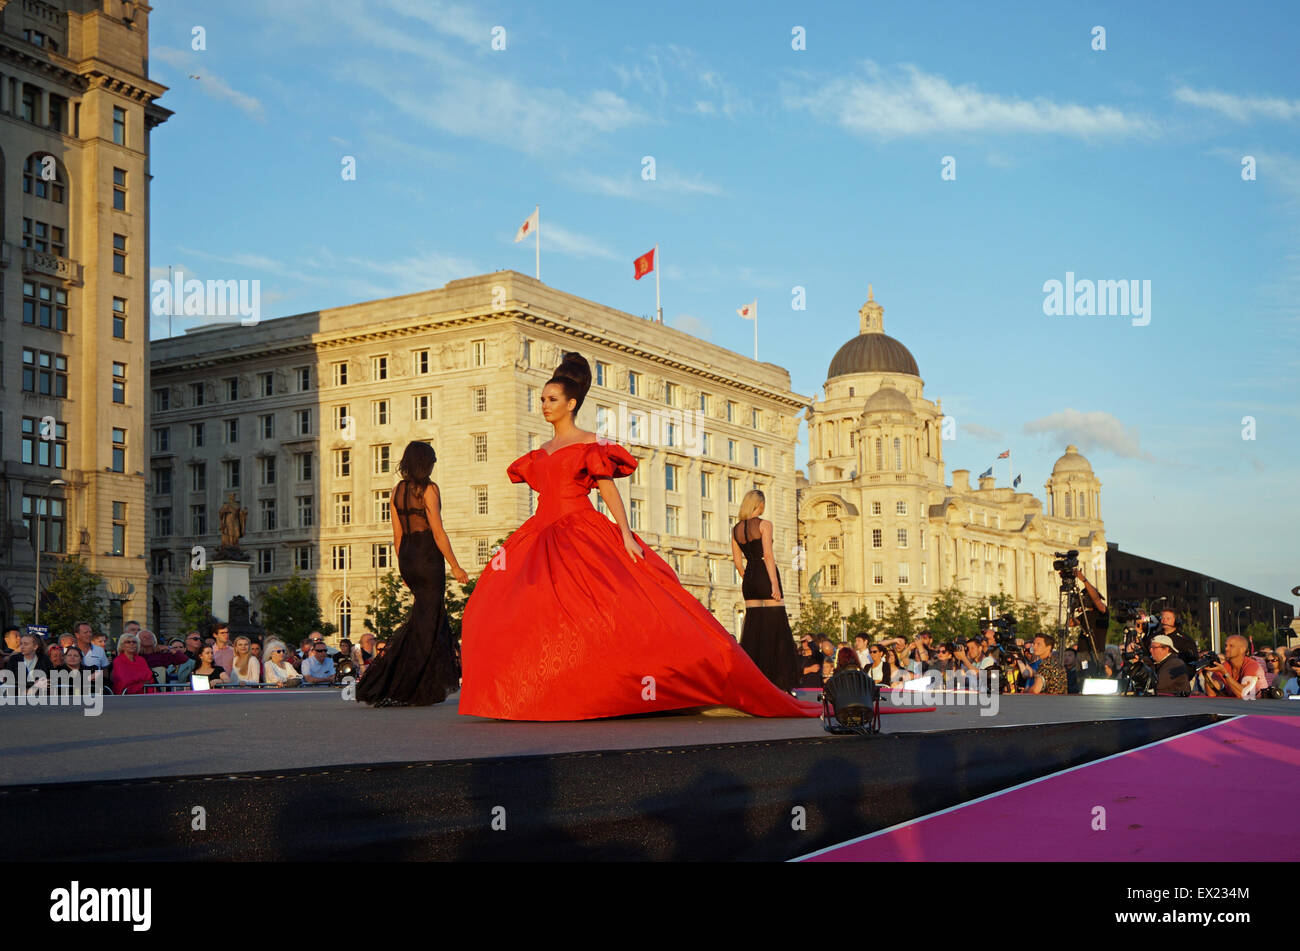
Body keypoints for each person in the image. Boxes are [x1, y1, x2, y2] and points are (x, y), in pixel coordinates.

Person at [460, 351, 819, 720]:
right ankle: (533, 692)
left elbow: (607, 489)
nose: (544, 405)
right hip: (539, 533)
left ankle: (650, 681)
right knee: (496, 607)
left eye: (552, 400)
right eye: (542, 399)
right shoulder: (541, 452)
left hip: (579, 527)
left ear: (571, 404)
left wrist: (626, 534)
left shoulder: (589, 443)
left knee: (618, 606)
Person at [356, 441, 467, 708]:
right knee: (427, 623)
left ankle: (415, 684)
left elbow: (397, 535)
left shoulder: (396, 491)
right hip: (428, 556)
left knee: (424, 619)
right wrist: (455, 564)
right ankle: (403, 685)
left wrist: (403, 568)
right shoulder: (429, 490)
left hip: (408, 556)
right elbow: (438, 532)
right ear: (425, 463)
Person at [731, 490, 800, 692]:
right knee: (777, 627)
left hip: (750, 578)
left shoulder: (735, 530)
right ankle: (779, 683)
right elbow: (768, 556)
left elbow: (737, 562)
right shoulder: (764, 524)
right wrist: (774, 585)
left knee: (753, 629)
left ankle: (753, 682)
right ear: (759, 505)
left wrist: (749, 578)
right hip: (764, 573)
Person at [1204, 635, 1267, 699]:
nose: (1226, 649)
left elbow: (1243, 693)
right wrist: (1206, 672)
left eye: (1231, 646)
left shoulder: (1252, 665)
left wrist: (1225, 673)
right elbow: (1211, 693)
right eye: (1225, 646)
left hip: (1259, 706)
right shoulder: (1224, 666)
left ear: (1242, 650)